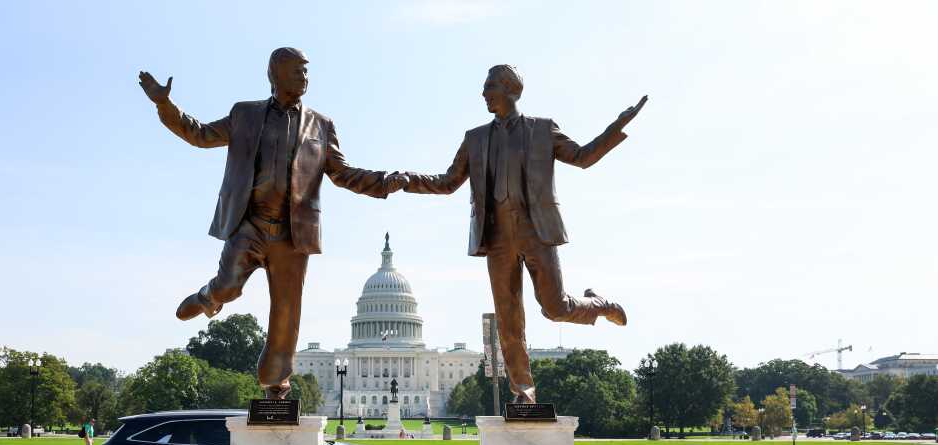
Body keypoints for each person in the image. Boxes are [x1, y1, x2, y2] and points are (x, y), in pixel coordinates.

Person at [138, 47, 407, 399]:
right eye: (298, 71)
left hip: (292, 233)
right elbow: (199, 134)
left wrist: (384, 181)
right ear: (275, 74)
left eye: (307, 71)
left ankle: (276, 382)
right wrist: (165, 105)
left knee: (286, 310)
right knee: (229, 285)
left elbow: (342, 173)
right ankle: (210, 296)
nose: (305, 77)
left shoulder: (321, 125)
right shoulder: (244, 114)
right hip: (249, 223)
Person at [401, 64, 646, 404]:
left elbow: (582, 157)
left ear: (511, 89)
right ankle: (524, 390)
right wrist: (406, 180)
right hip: (497, 237)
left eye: (490, 87)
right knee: (509, 318)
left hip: (536, 231)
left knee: (555, 308)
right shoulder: (475, 138)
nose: (484, 94)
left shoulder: (542, 131)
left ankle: (600, 304)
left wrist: (615, 127)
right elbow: (446, 183)